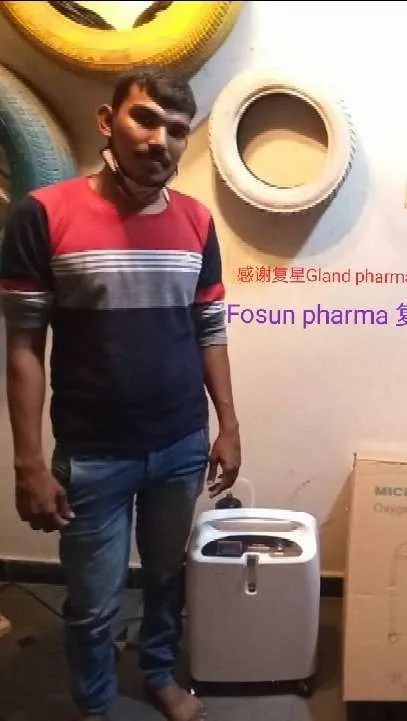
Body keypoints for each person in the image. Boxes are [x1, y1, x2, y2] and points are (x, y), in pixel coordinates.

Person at [0, 70, 241, 721]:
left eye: (177, 130)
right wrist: (29, 462)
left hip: (181, 444)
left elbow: (210, 329)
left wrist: (228, 426)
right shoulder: (42, 214)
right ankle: (96, 704)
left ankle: (158, 673)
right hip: (92, 455)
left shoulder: (196, 222)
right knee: (93, 600)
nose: (161, 140)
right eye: (146, 119)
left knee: (165, 578)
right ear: (108, 122)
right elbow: (23, 347)